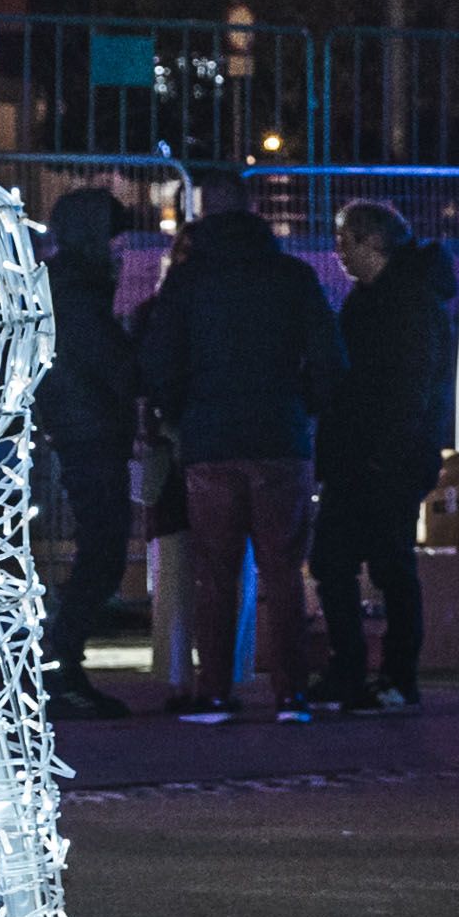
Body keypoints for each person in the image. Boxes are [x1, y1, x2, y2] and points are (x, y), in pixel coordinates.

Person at [132, 194, 338, 719]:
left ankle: (215, 691)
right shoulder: (293, 277)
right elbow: (327, 358)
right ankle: (291, 692)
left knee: (216, 574)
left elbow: (160, 359)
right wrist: (304, 406)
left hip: (210, 442)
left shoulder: (190, 282)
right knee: (283, 572)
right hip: (280, 439)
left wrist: (180, 413)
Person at [313, 199, 454, 712]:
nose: (338, 253)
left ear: (372, 242)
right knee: (346, 560)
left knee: (382, 563)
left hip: (385, 456)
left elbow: (407, 388)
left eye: (345, 240)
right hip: (369, 455)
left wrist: (383, 450)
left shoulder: (404, 304)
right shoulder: (380, 299)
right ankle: (365, 671)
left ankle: (388, 674)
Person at [30, 183, 140, 719]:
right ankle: (61, 667)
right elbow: (106, 362)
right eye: (115, 240)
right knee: (103, 551)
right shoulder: (76, 290)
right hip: (88, 430)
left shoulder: (68, 284)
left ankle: (61, 665)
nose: (122, 251)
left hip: (81, 427)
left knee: (100, 551)